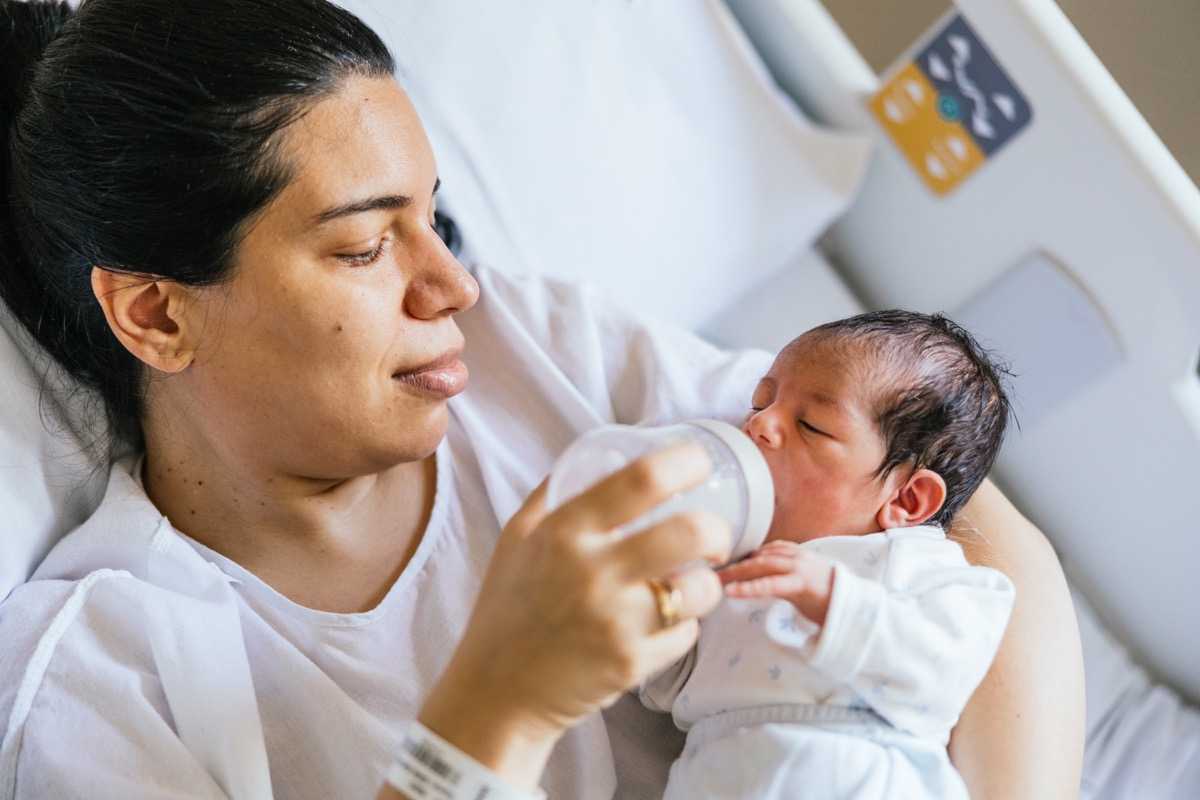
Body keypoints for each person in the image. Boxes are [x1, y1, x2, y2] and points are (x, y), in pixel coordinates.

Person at [0, 1, 1085, 799]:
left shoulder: (534, 350)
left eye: (434, 218)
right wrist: (499, 705)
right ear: (156, 314)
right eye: (367, 245)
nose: (452, 284)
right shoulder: (111, 680)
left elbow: (969, 526)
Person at [640, 312, 1017, 798]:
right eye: (760, 403)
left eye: (810, 425)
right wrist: (658, 590)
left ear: (907, 500)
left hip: (857, 773)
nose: (758, 424)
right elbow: (670, 684)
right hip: (711, 775)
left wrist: (836, 599)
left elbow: (942, 670)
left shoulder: (918, 566)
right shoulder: (734, 557)